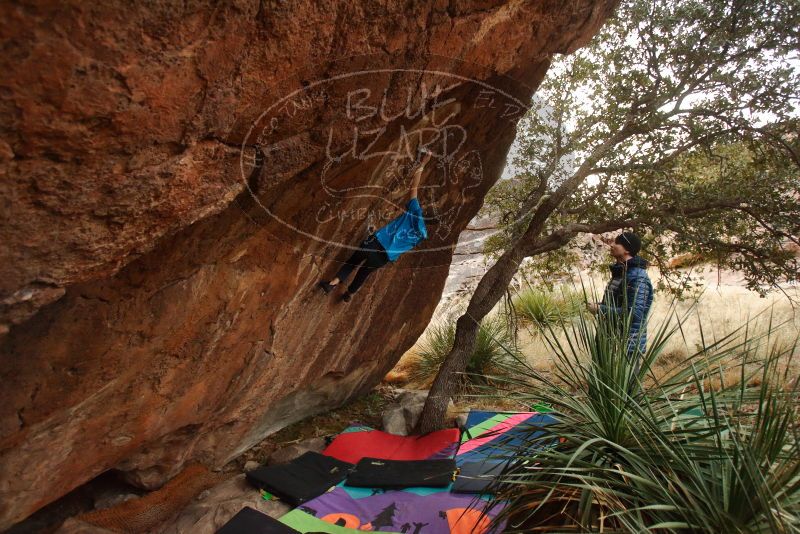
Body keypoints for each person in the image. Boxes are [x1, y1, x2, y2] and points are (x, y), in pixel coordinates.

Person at [317, 150, 432, 302]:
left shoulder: (415, 212)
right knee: (364, 273)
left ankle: (332, 284)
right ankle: (348, 295)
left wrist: (423, 164)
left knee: (352, 262)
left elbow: (414, 188)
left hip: (375, 243)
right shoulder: (421, 236)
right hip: (383, 258)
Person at [587, 232, 654, 375]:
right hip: (609, 341)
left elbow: (634, 314)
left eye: (617, 243)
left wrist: (600, 309)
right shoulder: (621, 274)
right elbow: (615, 304)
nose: (612, 245)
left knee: (627, 391)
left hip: (626, 345)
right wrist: (599, 306)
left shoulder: (637, 278)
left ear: (627, 249)